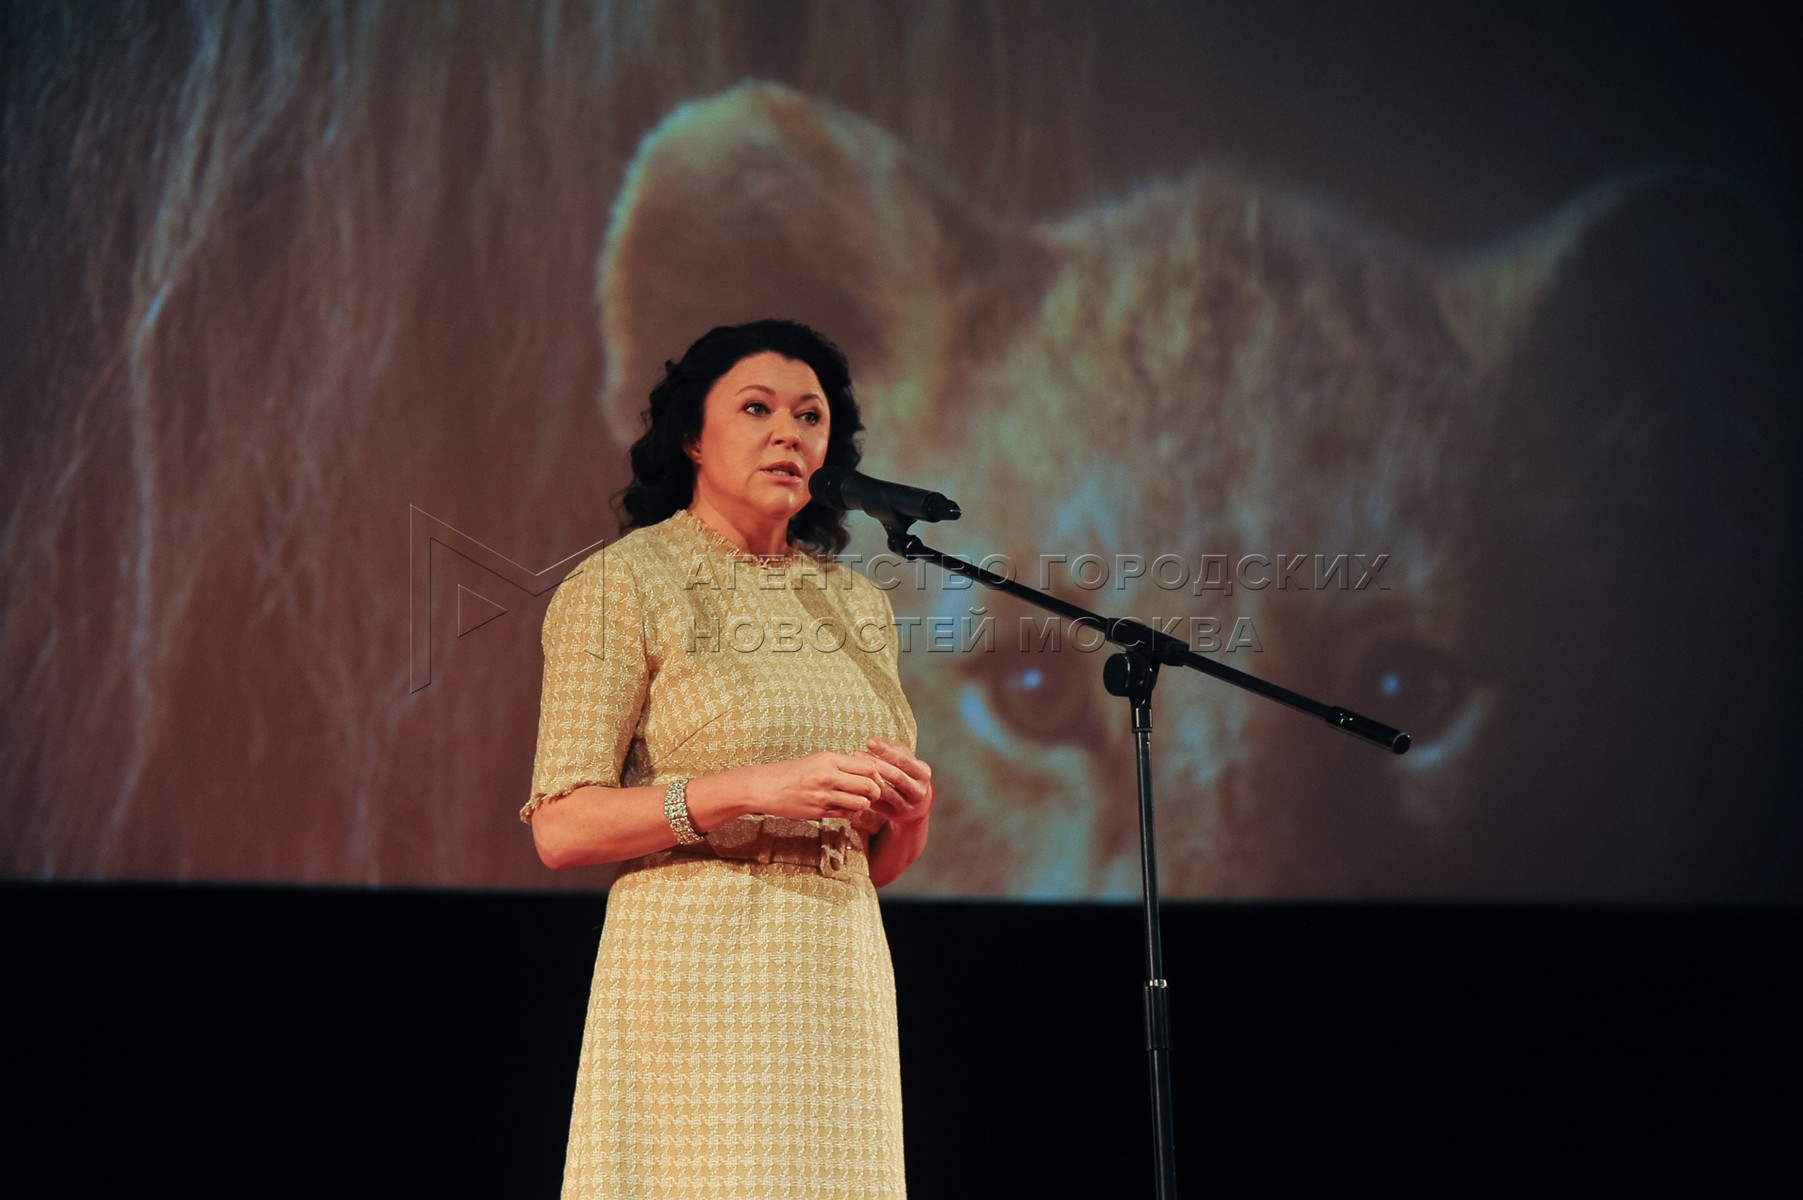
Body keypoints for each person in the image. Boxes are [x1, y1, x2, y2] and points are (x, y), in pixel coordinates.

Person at [523, 319, 934, 1199]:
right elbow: (561, 828)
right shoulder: (626, 583)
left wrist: (909, 815)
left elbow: (875, 863)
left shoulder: (856, 606)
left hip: (838, 977)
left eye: (810, 417)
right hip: (699, 975)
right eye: (757, 409)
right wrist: (750, 789)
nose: (789, 433)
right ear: (692, 437)